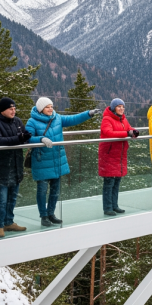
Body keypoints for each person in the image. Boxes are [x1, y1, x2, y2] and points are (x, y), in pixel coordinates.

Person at [26, 97, 100, 227]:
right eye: (47, 106)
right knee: (42, 190)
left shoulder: (57, 118)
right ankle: (43, 216)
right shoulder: (32, 121)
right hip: (41, 160)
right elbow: (27, 138)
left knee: (55, 190)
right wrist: (41, 139)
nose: (51, 109)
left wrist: (88, 113)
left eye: (51, 106)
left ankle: (51, 214)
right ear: (40, 109)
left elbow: (73, 119)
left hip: (57, 160)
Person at [0, 97, 31, 238]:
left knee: (12, 198)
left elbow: (23, 137)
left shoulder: (17, 121)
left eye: (14, 108)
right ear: (2, 110)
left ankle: (9, 222)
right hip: (1, 166)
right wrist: (19, 138)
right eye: (10, 108)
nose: (13, 111)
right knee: (1, 199)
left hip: (16, 164)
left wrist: (26, 137)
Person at [99, 98, 140, 216]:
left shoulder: (123, 119)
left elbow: (128, 128)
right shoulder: (107, 119)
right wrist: (127, 133)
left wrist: (133, 131)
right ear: (113, 108)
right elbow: (108, 133)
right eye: (119, 106)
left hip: (119, 155)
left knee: (117, 181)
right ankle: (107, 208)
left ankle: (114, 205)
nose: (121, 108)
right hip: (109, 154)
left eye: (123, 106)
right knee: (109, 182)